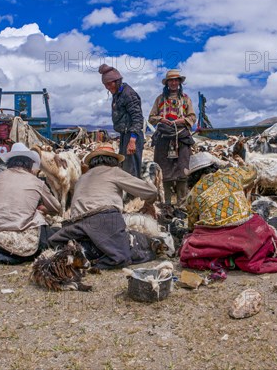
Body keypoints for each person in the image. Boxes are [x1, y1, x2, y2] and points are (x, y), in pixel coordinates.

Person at [48, 143, 159, 269]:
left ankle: (86, 252)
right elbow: (151, 191)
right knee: (122, 256)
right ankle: (95, 264)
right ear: (114, 161)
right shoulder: (114, 172)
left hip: (76, 225)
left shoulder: (82, 178)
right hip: (103, 220)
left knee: (64, 243)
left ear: (93, 162)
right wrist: (149, 203)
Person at [179, 153, 277, 275]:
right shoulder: (232, 174)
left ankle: (224, 257)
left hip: (216, 238)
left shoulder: (193, 193)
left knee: (189, 244)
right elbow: (252, 171)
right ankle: (241, 253)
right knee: (259, 223)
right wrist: (224, 164)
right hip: (246, 232)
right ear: (213, 166)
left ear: (192, 177)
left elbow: (192, 225)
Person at [148, 69, 196, 208]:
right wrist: (162, 119)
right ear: (167, 83)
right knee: (164, 171)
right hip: (164, 138)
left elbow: (192, 117)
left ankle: (182, 204)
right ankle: (167, 204)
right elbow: (151, 118)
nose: (174, 83)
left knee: (183, 171)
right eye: (171, 80)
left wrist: (182, 121)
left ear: (180, 83)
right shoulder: (160, 99)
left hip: (181, 138)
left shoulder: (186, 99)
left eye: (176, 80)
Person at [98, 64, 144, 178]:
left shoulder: (128, 94)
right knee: (124, 166)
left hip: (133, 135)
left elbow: (137, 118)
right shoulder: (117, 94)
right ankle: (129, 194)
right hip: (125, 134)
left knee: (131, 168)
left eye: (109, 84)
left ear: (117, 81)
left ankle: (134, 195)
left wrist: (132, 140)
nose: (108, 87)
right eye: (105, 85)